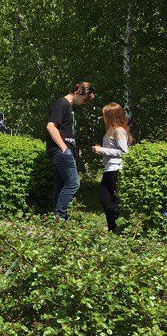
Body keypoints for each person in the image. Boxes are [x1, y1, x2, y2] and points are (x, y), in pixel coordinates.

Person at [45, 81, 95, 220]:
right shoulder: (62, 104)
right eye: (84, 99)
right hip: (61, 151)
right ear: (78, 92)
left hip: (65, 151)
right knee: (73, 183)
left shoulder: (69, 107)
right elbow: (51, 126)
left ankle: (58, 219)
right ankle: (60, 218)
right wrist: (64, 148)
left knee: (61, 186)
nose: (84, 103)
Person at [92, 102, 132, 233]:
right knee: (105, 199)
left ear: (112, 116)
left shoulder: (119, 131)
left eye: (105, 115)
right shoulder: (112, 131)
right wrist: (101, 150)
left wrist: (102, 150)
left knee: (111, 200)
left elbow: (124, 152)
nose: (104, 118)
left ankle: (119, 225)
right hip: (109, 168)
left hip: (116, 168)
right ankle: (112, 226)